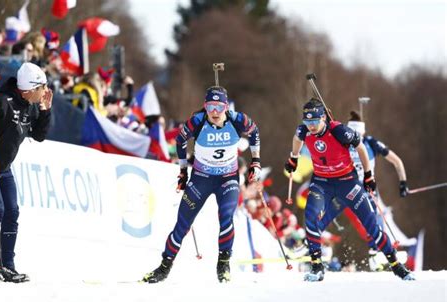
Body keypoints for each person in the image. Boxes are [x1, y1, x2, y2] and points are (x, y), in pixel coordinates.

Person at [284, 98, 414, 281]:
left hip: (348, 183)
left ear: (323, 118)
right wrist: (294, 157)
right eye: (307, 122)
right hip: (322, 182)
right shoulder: (304, 130)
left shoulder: (339, 131)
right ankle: (317, 266)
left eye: (314, 121)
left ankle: (396, 266)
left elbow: (360, 148)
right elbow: (297, 138)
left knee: (372, 227)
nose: (310, 126)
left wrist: (369, 175)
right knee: (311, 217)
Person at [142, 85, 261, 283]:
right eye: (210, 106)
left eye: (219, 107)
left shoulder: (237, 120)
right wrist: (182, 171)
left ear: (226, 107)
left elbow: (255, 131)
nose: (214, 112)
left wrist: (256, 160)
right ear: (205, 106)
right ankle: (163, 268)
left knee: (226, 218)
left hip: (228, 179)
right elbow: (180, 140)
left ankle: (223, 265)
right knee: (182, 225)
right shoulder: (197, 121)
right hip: (201, 179)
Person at [0, 62, 53, 282]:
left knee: (12, 212)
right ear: (29, 90)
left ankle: (7, 265)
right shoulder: (0, 102)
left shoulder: (31, 106)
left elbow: (38, 135)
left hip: (4, 167)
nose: (45, 91)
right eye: (42, 87)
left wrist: (45, 111)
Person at [319, 110, 411, 270]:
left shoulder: (371, 143)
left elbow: (396, 161)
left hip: (364, 190)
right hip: (346, 187)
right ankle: (312, 242)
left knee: (374, 222)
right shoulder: (342, 140)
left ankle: (377, 253)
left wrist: (403, 182)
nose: (357, 141)